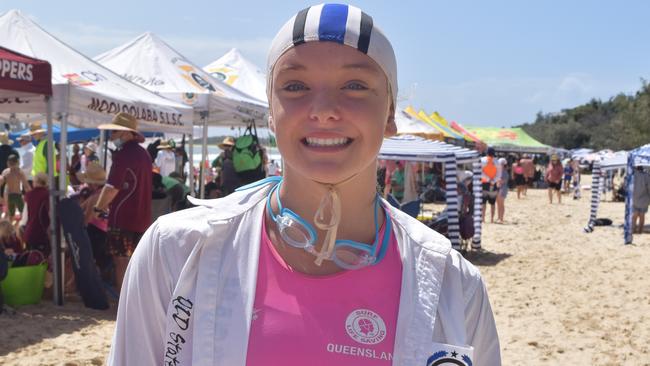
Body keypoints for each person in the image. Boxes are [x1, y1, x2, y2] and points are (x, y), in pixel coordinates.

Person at [108, 4, 501, 365]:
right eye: (295, 87)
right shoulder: (178, 251)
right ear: (271, 115)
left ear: (390, 114)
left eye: (355, 86)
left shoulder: (454, 286)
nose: (325, 110)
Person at [93, 112, 152, 292]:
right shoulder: (144, 154)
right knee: (137, 263)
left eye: (114, 132)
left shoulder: (123, 154)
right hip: (142, 219)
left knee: (122, 262)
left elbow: (112, 188)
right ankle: (136, 304)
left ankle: (123, 306)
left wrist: (97, 208)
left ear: (126, 133)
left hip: (122, 217)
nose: (111, 137)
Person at [21, 172, 50, 257]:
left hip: (30, 234)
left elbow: (24, 218)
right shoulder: (48, 195)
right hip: (42, 234)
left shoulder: (29, 195)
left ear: (35, 182)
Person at [1, 155, 31, 220]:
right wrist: (31, 195)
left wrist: (1, 197)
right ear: (18, 162)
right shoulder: (19, 172)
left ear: (8, 163)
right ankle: (21, 228)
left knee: (11, 215)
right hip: (17, 195)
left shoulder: (5, 172)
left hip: (9, 196)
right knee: (23, 214)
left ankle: (10, 228)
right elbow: (26, 185)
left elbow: (1, 182)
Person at [480, 147, 501, 223]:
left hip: (484, 183)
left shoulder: (482, 160)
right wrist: (493, 180)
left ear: (486, 152)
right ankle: (492, 219)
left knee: (483, 202)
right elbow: (499, 174)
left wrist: (488, 179)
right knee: (492, 203)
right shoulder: (497, 161)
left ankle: (483, 218)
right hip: (493, 184)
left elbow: (480, 172)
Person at [632, 166, 650, 234]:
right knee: (642, 215)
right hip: (644, 198)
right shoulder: (646, 176)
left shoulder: (632, 175)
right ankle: (640, 231)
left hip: (634, 198)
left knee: (634, 215)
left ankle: (633, 229)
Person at [496, 158, 509, 224]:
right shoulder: (499, 171)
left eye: (500, 164)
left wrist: (497, 181)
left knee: (501, 204)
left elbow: (504, 181)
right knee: (498, 204)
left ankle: (501, 218)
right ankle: (499, 217)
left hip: (502, 188)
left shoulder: (504, 171)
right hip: (499, 188)